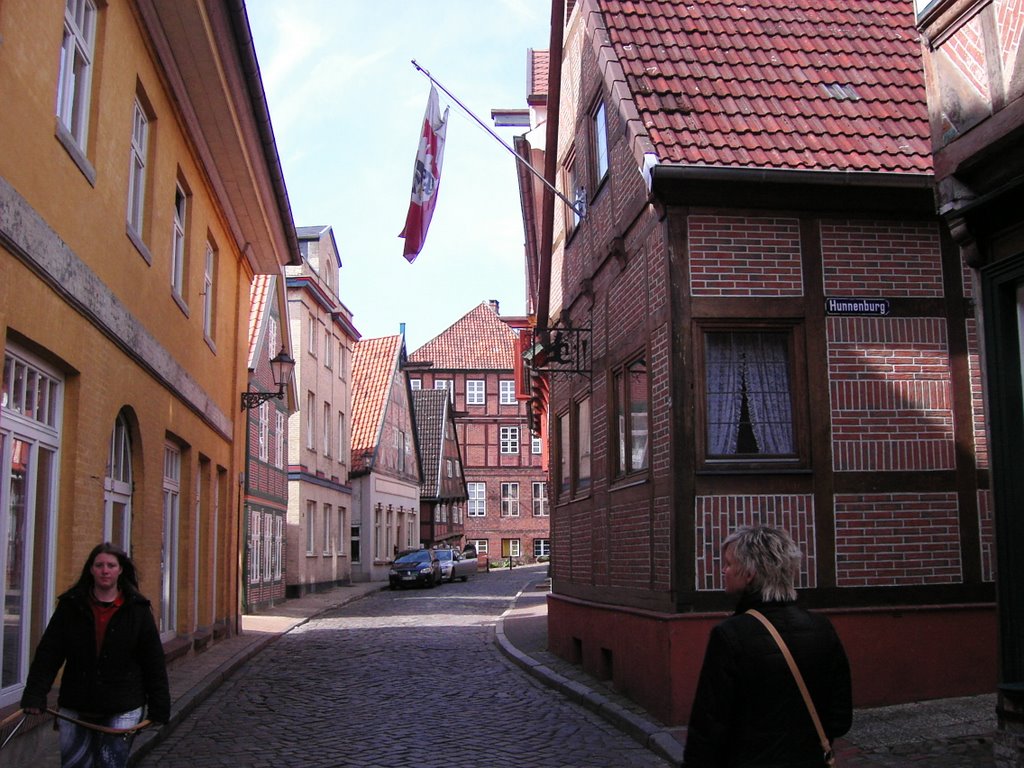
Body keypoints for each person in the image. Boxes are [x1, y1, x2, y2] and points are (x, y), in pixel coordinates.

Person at [682, 525, 852, 767]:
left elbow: (709, 726)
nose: (724, 570)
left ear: (749, 573)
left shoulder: (730, 635)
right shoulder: (821, 626)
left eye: (728, 564)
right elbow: (840, 717)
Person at [21, 543, 170, 768]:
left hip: (123, 706)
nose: (105, 570)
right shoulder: (71, 606)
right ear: (91, 569)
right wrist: (35, 694)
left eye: (111, 565)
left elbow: (153, 662)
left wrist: (159, 706)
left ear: (120, 570)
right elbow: (49, 652)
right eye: (99, 565)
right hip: (76, 703)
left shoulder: (137, 610)